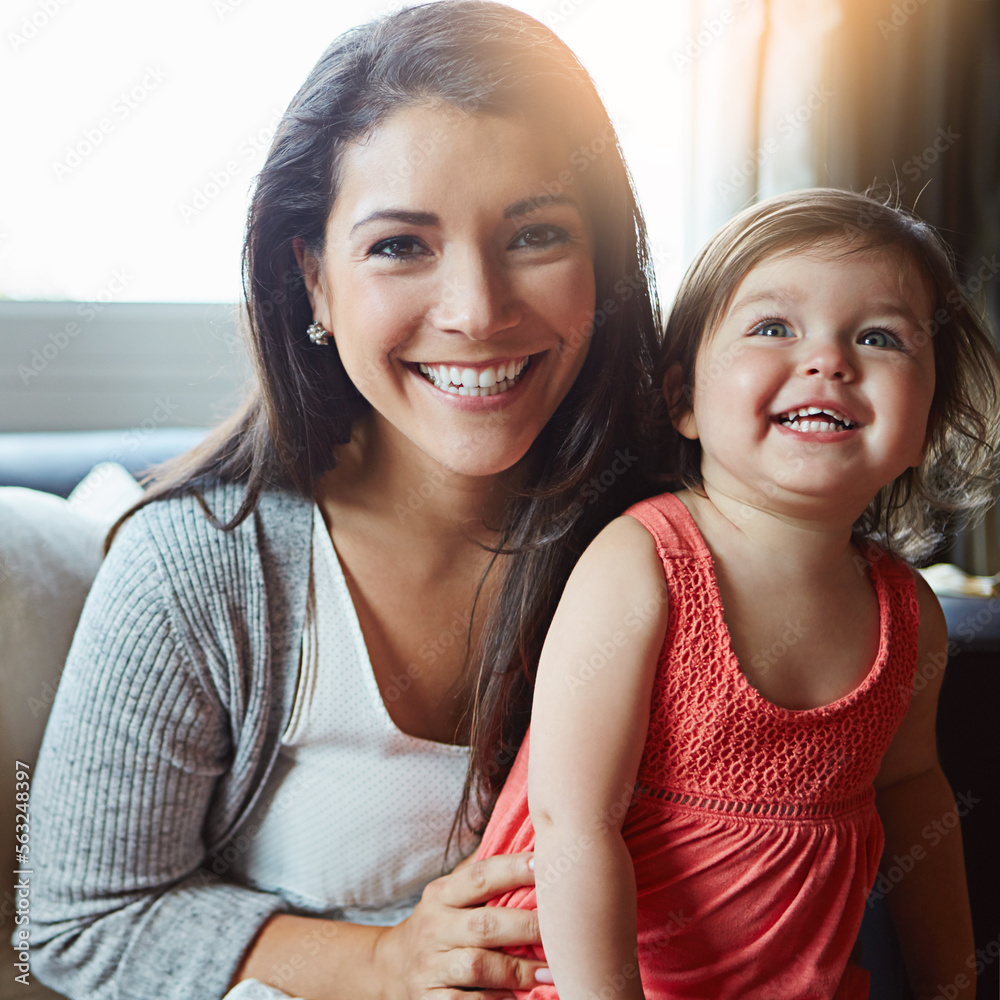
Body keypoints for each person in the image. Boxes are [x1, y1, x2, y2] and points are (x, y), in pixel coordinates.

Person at [25, 4, 661, 998]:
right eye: (401, 246)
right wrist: (387, 959)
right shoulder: (199, 566)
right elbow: (79, 923)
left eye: (534, 233)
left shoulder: (672, 537)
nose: (477, 310)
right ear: (313, 280)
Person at [476, 188, 1000, 1000]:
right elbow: (574, 825)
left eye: (879, 337)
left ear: (926, 424)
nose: (829, 359)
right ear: (683, 400)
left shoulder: (908, 615)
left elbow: (910, 793)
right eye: (773, 327)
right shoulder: (645, 564)